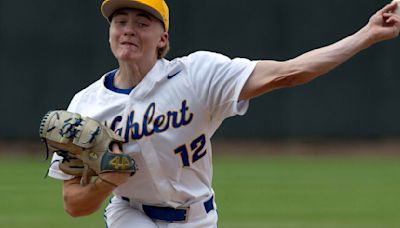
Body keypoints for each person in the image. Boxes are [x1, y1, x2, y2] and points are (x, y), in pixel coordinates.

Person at [48, 0, 400, 227]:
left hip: (198, 216)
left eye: (142, 22)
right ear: (110, 33)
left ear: (162, 38)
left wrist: (366, 35)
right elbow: (73, 205)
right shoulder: (85, 106)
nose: (128, 28)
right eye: (119, 20)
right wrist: (109, 180)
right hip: (130, 214)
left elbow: (289, 73)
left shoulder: (197, 76)